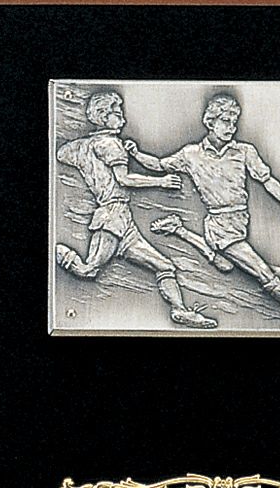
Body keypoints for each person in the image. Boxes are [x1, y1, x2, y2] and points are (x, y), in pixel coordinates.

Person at [125, 94, 280, 327]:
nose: (231, 127)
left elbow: (267, 180)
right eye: (225, 121)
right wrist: (136, 154)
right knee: (264, 274)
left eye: (234, 122)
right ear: (210, 122)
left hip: (239, 222)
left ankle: (182, 232)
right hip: (220, 227)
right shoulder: (191, 154)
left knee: (226, 265)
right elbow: (159, 165)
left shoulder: (244, 152)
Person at [55, 91, 216, 329]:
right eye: (116, 112)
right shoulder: (111, 145)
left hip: (123, 221)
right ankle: (61, 255)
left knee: (164, 266)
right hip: (111, 217)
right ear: (103, 116)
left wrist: (93, 153)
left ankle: (180, 311)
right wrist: (161, 182)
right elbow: (125, 179)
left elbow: (61, 154)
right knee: (90, 270)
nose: (122, 117)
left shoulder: (82, 146)